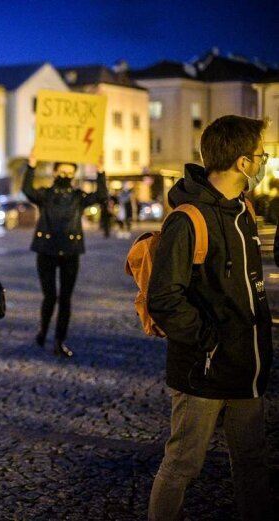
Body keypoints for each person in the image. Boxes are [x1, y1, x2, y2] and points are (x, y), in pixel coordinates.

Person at [147, 115, 272, 521]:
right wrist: (210, 340)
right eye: (261, 155)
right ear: (242, 163)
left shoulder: (245, 211)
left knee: (252, 460)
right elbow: (164, 298)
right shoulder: (188, 219)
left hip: (248, 367)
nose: (264, 161)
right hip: (203, 369)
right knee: (184, 463)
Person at [22, 151, 106, 357]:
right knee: (49, 296)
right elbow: (27, 190)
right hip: (46, 250)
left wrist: (101, 171)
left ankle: (59, 340)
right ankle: (43, 330)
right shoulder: (45, 195)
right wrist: (31, 165)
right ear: (54, 172)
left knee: (65, 298)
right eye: (62, 171)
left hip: (70, 252)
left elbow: (102, 196)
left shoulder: (79, 196)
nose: (66, 175)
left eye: (70, 172)